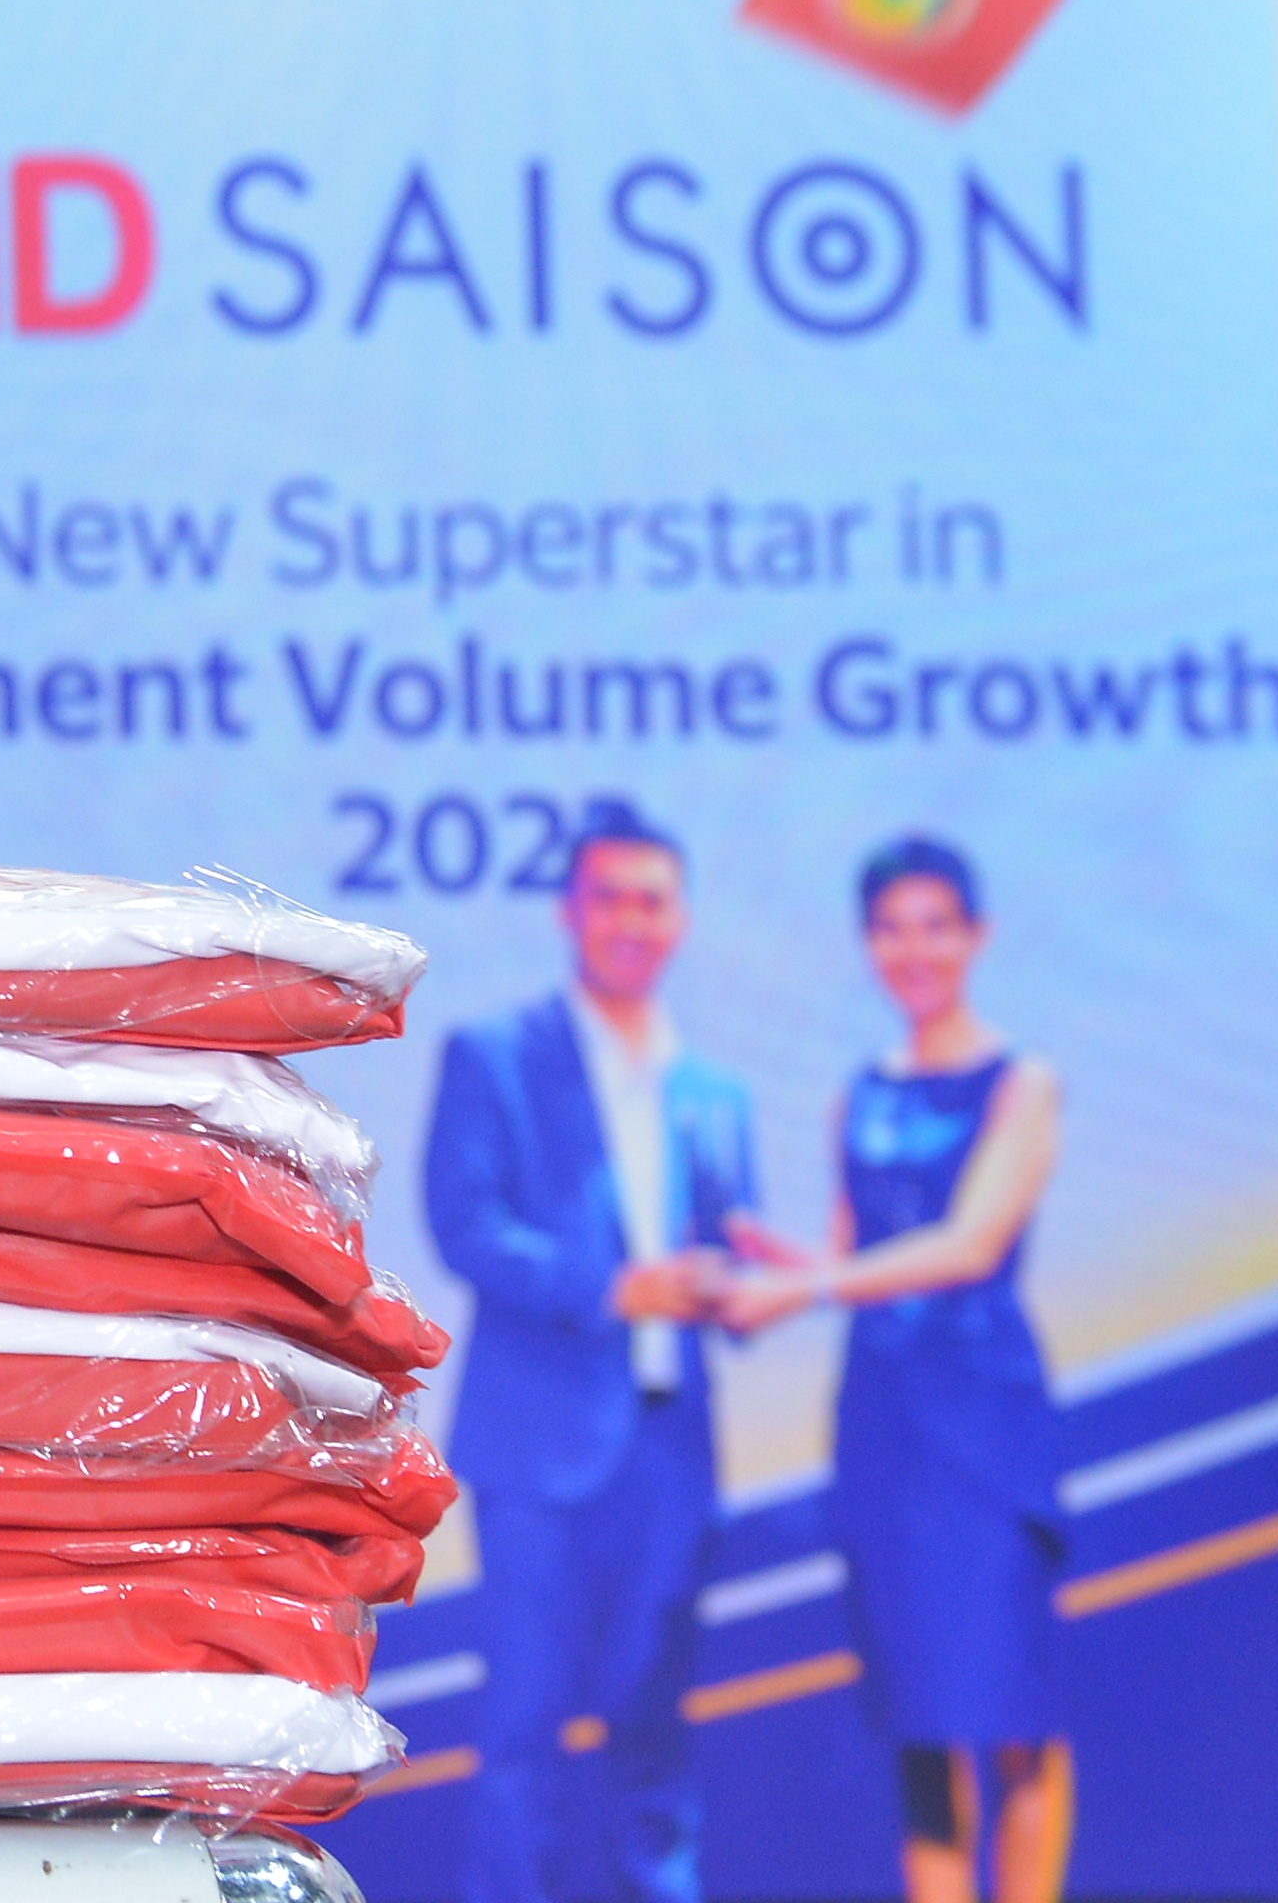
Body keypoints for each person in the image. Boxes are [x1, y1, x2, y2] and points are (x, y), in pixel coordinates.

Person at [717, 835, 1072, 1903]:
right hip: (886, 1430)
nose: (913, 950)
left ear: (976, 936)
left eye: (935, 926)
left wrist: (809, 1288)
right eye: (890, 929)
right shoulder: (857, 1096)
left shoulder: (1023, 1085)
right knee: (920, 1720)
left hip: (984, 1429)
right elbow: (856, 1260)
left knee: (1016, 1714)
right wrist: (779, 1270)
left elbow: (969, 1244)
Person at [424, 801, 761, 1903]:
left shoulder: (714, 1091)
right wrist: (613, 1288)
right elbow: (464, 1221)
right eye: (608, 897)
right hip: (542, 1453)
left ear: (682, 919)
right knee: (523, 1732)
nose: (630, 920)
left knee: (654, 1732)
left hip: (672, 1454)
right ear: (570, 911)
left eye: (651, 900)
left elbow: (728, 1251)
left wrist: (757, 1289)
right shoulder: (497, 1054)